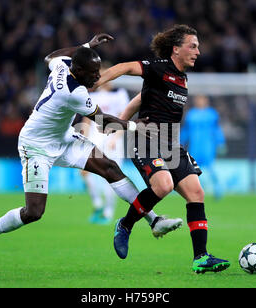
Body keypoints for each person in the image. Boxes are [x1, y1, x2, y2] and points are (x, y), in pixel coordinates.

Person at [0, 34, 183, 270]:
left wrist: (86, 46)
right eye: (92, 73)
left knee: (110, 168)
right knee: (34, 211)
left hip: (63, 138)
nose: (97, 77)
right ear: (79, 70)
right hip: (36, 146)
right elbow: (103, 122)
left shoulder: (62, 65)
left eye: (98, 71)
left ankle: (153, 220)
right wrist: (136, 126)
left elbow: (49, 57)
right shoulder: (74, 93)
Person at [95, 25, 230, 273]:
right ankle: (125, 225)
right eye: (193, 46)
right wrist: (98, 81)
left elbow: (142, 98)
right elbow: (125, 67)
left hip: (170, 143)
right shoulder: (158, 67)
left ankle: (201, 257)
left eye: (198, 46)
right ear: (176, 49)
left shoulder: (182, 78)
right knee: (163, 185)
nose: (198, 51)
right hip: (145, 139)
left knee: (196, 193)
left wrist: (122, 118)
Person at [79, 68, 130, 224]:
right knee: (84, 172)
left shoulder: (119, 96)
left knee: (111, 177)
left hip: (112, 141)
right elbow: (87, 121)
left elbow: (124, 118)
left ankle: (108, 213)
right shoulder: (91, 96)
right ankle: (98, 204)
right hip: (95, 139)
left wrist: (116, 138)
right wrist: (82, 139)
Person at [181, 95, 227, 200]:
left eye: (202, 99)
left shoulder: (212, 114)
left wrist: (221, 142)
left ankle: (218, 188)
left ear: (206, 101)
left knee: (210, 168)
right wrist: (180, 141)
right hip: (195, 146)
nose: (200, 101)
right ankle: (196, 191)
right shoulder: (191, 114)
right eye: (198, 99)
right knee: (194, 169)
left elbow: (217, 129)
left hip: (207, 146)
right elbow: (186, 130)